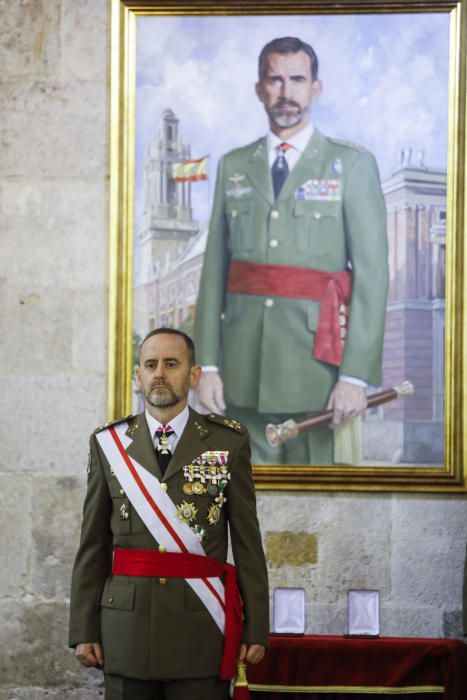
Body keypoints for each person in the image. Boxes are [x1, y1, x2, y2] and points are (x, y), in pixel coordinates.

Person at [194, 36, 389, 465]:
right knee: (246, 510)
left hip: (317, 376)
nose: (286, 92)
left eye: (297, 80)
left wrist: (355, 376)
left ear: (315, 88)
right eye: (275, 80)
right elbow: (213, 274)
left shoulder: (352, 166)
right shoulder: (234, 166)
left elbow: (372, 277)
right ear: (259, 89)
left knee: (322, 512)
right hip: (243, 372)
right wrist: (205, 366)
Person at [69, 328, 269, 700]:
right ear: (138, 375)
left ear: (193, 375)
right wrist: (84, 628)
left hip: (201, 626)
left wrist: (256, 627)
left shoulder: (229, 441)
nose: (159, 372)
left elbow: (247, 544)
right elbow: (93, 543)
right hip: (125, 630)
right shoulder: (108, 444)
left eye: (171, 364)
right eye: (151, 364)